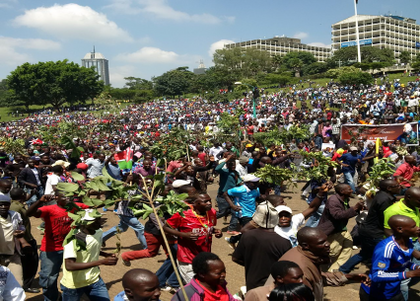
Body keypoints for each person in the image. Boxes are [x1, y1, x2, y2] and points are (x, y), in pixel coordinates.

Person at [27, 193, 89, 301]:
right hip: (51, 250)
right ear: (57, 198)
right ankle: (52, 298)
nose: (68, 199)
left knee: (73, 277)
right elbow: (29, 213)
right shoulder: (49, 209)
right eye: (64, 196)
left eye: (70, 197)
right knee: (48, 279)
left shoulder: (76, 206)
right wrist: (40, 201)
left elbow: (95, 206)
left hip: (70, 249)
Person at [339, 179, 400, 274]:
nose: (400, 187)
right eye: (397, 186)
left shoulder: (382, 195)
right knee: (382, 254)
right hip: (374, 233)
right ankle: (379, 274)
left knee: (364, 254)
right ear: (389, 188)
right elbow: (385, 218)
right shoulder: (384, 200)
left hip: (368, 230)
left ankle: (343, 270)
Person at [60, 209, 118, 301]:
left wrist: (105, 254)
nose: (100, 222)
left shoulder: (98, 232)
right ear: (84, 223)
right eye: (96, 220)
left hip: (94, 280)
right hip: (74, 285)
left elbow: (91, 247)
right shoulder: (74, 239)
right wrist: (102, 262)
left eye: (99, 219)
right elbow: (69, 265)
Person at [232, 202, 292, 290]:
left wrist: (252, 265)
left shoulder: (247, 236)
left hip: (252, 283)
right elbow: (287, 267)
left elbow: (235, 258)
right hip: (274, 285)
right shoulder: (284, 242)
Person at [164, 193, 222, 284]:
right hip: (187, 258)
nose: (209, 203)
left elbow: (208, 226)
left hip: (204, 256)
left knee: (204, 283)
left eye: (209, 200)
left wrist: (216, 231)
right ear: (195, 204)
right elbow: (166, 228)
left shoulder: (212, 212)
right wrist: (184, 235)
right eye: (205, 201)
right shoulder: (183, 215)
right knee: (198, 286)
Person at [360, 215, 420, 301]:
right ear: (400, 229)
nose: (418, 228)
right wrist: (411, 274)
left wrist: (416, 267)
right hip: (377, 294)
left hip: (394, 291)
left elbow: (402, 262)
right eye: (413, 227)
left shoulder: (408, 241)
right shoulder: (386, 248)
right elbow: (377, 275)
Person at [317, 184, 364, 272]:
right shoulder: (333, 200)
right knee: (332, 253)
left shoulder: (345, 199)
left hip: (342, 230)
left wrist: (357, 209)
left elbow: (345, 212)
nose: (352, 191)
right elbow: (338, 215)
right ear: (342, 191)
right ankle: (321, 271)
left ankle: (334, 271)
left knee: (348, 248)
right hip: (332, 231)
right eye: (349, 189)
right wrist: (355, 208)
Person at [102, 173, 148, 250]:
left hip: (131, 212)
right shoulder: (125, 186)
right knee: (140, 228)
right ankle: (146, 247)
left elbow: (143, 197)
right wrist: (127, 181)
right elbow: (120, 192)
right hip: (125, 213)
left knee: (121, 228)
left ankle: (101, 238)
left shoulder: (137, 188)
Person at [9, 188, 40, 293]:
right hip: (25, 238)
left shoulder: (12, 204)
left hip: (20, 239)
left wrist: (31, 195)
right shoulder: (17, 208)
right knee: (31, 263)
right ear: (22, 195)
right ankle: (26, 285)